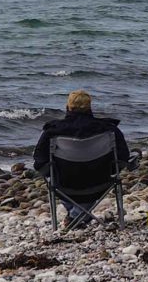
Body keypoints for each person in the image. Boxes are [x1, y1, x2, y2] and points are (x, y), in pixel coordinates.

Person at [33, 90, 134, 228]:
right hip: (99, 183)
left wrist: (49, 171)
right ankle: (79, 214)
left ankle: (76, 214)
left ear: (68, 107)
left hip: (64, 184)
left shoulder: (53, 131)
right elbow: (123, 157)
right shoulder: (109, 130)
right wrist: (108, 169)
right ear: (89, 107)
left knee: (49, 172)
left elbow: (39, 160)